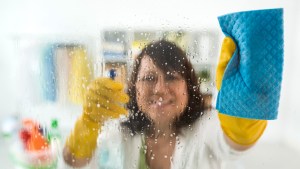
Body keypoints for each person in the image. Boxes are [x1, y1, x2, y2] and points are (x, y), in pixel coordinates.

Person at [63, 40, 267, 169]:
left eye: (171, 77)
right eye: (149, 78)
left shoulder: (206, 125)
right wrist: (89, 123)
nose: (160, 89)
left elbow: (234, 147)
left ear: (188, 87)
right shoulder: (122, 132)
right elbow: (74, 164)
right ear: (135, 88)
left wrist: (242, 116)